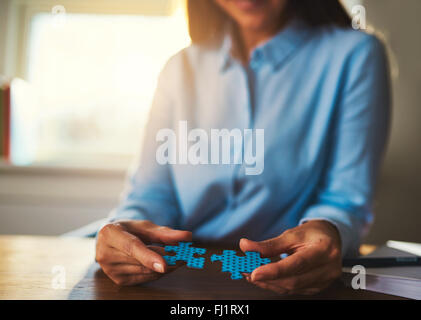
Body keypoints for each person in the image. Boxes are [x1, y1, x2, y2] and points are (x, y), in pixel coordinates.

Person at [95, 0, 390, 295]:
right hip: (175, 279)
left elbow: (345, 200)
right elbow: (150, 194)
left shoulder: (356, 55)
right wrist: (125, 231)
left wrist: (330, 229)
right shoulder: (178, 67)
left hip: (285, 283)